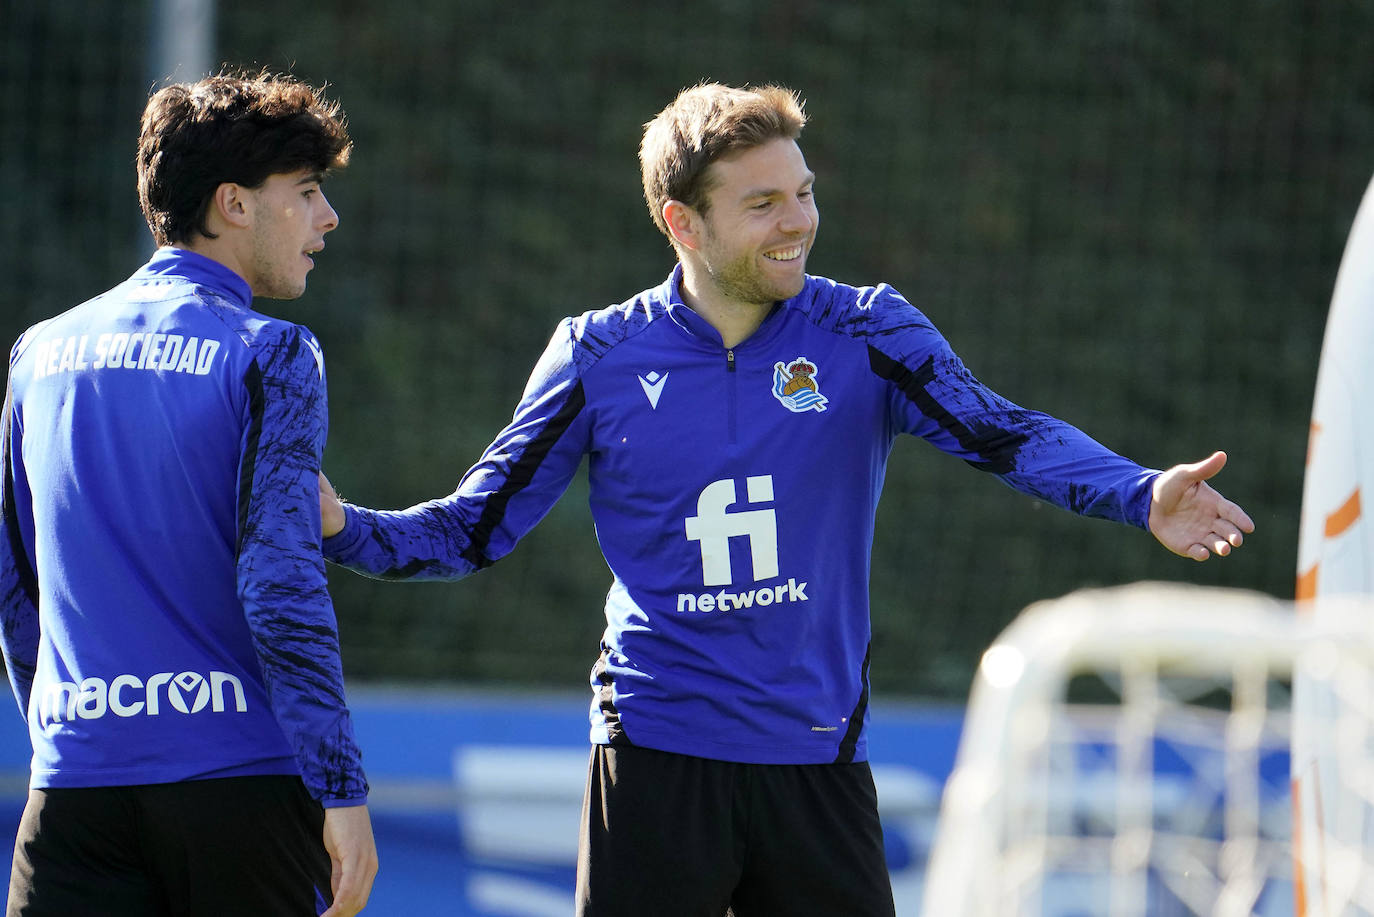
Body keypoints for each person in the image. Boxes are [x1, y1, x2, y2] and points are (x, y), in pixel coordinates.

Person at [318, 82, 1253, 917]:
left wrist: (1139, 492)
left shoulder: (868, 331)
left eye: (802, 193)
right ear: (684, 224)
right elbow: (474, 527)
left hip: (816, 755)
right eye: (762, 204)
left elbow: (1002, 433)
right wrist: (344, 527)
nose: (797, 221)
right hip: (654, 751)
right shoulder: (598, 355)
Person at [1, 71, 377, 917]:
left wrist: (68, 739)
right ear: (233, 203)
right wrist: (341, 785)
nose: (328, 217)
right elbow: (280, 581)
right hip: (238, 787)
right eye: (306, 191)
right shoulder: (272, 351)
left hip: (73, 791)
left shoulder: (37, 352)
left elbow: (15, 587)